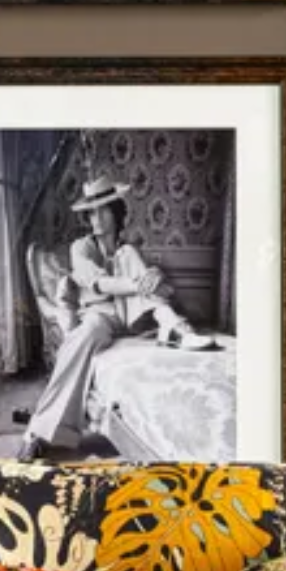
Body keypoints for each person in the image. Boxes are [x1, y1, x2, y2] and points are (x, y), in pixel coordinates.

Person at [19, 176, 220, 455]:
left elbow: (150, 285)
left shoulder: (128, 250)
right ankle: (39, 431)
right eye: (91, 212)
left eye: (103, 210)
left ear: (116, 212)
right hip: (100, 315)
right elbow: (96, 282)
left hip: (134, 317)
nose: (96, 218)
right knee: (86, 333)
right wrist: (140, 283)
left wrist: (152, 275)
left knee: (129, 255)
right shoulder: (81, 248)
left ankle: (177, 329)